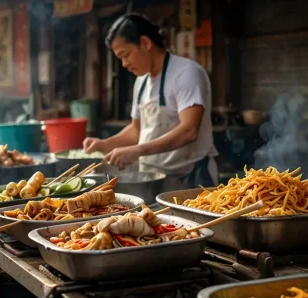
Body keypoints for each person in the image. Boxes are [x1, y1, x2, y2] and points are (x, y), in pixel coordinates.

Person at [84, 14, 218, 190]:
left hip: (190, 179)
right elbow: (136, 130)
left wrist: (137, 151)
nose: (124, 64)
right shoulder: (142, 81)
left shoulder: (186, 73)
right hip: (153, 179)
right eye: (120, 58)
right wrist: (104, 144)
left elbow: (189, 131)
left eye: (126, 55)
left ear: (145, 43)